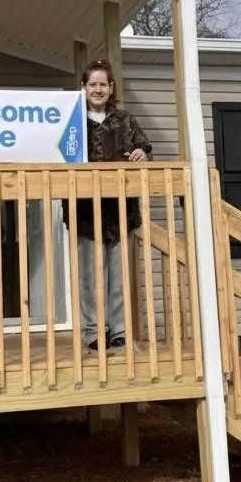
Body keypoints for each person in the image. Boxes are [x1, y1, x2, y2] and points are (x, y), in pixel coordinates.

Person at [64, 59, 152, 352]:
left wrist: (141, 152)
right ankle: (92, 331)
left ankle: (120, 330)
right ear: (83, 88)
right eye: (92, 84)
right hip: (86, 213)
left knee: (119, 274)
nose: (98, 89)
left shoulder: (125, 120)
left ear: (111, 88)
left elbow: (145, 149)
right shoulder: (71, 120)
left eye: (103, 84)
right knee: (90, 275)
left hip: (121, 212)